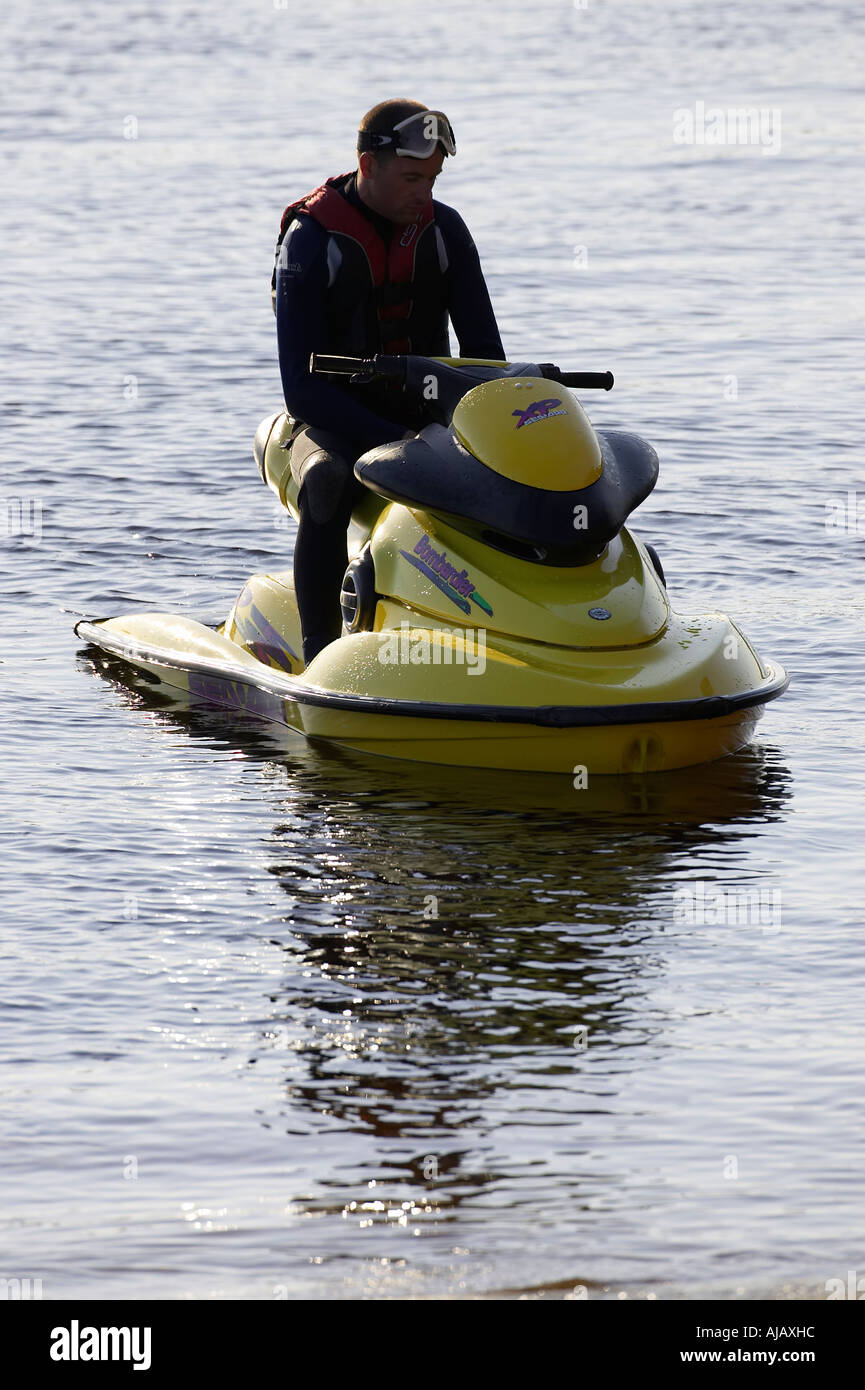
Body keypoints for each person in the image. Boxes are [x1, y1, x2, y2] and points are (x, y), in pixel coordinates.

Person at [272, 98, 505, 666]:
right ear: (366, 164)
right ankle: (319, 657)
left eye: (432, 179)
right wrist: (397, 439)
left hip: (423, 424)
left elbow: (486, 360)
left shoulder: (445, 230)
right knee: (328, 485)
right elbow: (301, 391)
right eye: (410, 177)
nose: (423, 193)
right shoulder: (310, 239)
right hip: (330, 422)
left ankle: (511, 636)